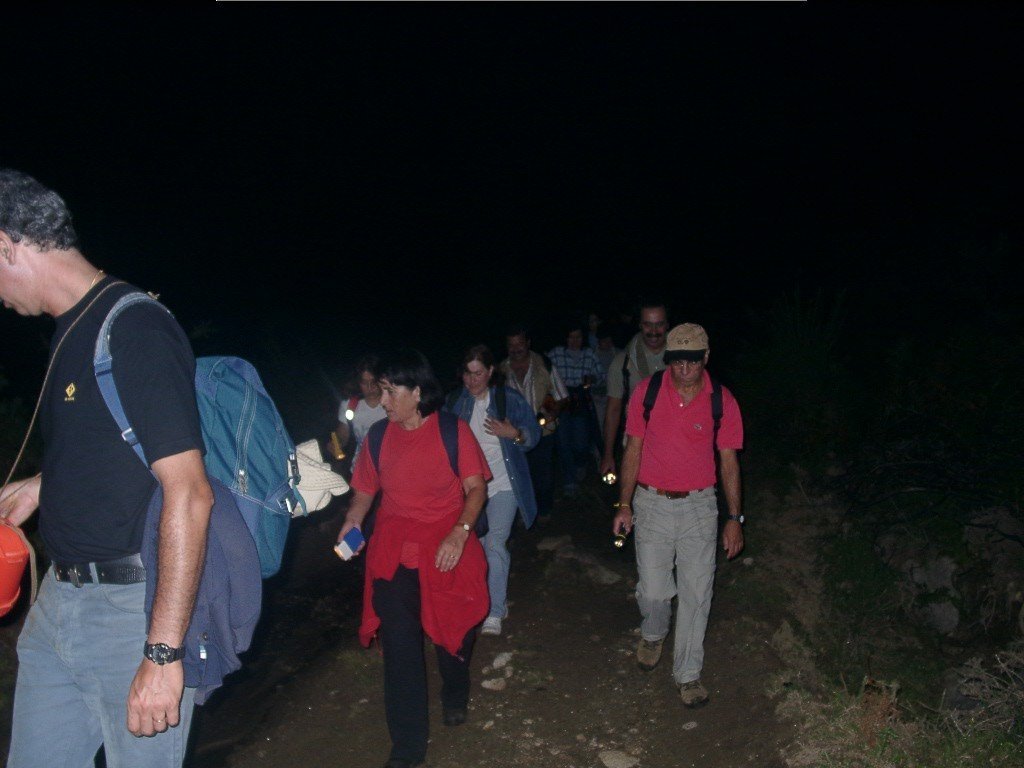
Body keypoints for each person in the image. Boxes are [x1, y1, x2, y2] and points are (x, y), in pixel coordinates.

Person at [0, 169, 211, 766]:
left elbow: (190, 493)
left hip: (130, 613)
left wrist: (163, 654)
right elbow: (116, 445)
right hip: (57, 609)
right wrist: (44, 485)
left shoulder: (135, 326)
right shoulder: (70, 329)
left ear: (5, 245)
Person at [337, 349, 490, 768]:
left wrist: (459, 533)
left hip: (445, 546)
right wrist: (352, 522)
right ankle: (408, 746)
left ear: (417, 392)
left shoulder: (453, 431)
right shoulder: (378, 436)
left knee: (453, 633)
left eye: (391, 391)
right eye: (381, 390)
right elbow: (365, 489)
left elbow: (476, 488)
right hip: (393, 552)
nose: (383, 400)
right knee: (400, 645)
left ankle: (455, 690)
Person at [611, 323, 744, 708]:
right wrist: (624, 503)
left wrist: (734, 518)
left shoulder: (722, 400)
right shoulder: (647, 392)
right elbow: (633, 449)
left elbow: (729, 462)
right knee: (654, 592)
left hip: (700, 508)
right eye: (676, 361)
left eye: (692, 361)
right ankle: (653, 633)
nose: (684, 369)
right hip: (651, 502)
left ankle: (688, 674)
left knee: (697, 593)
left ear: (706, 357)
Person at [446, 344, 540, 636]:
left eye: (478, 374)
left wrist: (515, 434)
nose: (472, 380)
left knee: (494, 544)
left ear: (490, 372)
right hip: (469, 490)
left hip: (503, 485)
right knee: (472, 547)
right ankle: (476, 600)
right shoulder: (454, 403)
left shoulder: (508, 399)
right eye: (467, 374)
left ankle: (494, 611)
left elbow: (534, 435)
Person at [499, 325, 569, 523]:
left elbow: (562, 396)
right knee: (519, 474)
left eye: (519, 344)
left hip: (543, 431)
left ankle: (544, 510)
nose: (516, 349)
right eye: (511, 345)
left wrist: (550, 411)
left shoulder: (544, 364)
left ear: (528, 343)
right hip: (513, 434)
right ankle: (525, 512)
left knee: (543, 474)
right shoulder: (500, 370)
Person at [599, 300, 669, 480]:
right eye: (648, 324)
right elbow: (613, 410)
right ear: (639, 325)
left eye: (659, 324)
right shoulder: (621, 363)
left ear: (667, 324)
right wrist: (608, 454)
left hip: (678, 443)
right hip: (639, 445)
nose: (654, 331)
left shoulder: (685, 361)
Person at [547, 320, 605, 494]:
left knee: (581, 441)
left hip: (581, 399)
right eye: (571, 337)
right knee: (563, 441)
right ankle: (569, 480)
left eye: (578, 337)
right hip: (562, 400)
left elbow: (601, 376)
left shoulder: (589, 354)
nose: (574, 341)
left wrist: (592, 380)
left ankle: (581, 463)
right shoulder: (556, 354)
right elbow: (544, 372)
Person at [336, 354, 386, 464]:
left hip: (390, 466)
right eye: (364, 382)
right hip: (360, 467)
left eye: (373, 382)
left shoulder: (393, 403)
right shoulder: (350, 405)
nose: (370, 387)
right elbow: (342, 436)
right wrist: (336, 444)